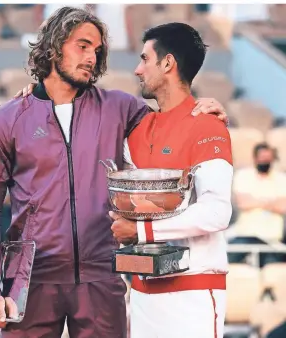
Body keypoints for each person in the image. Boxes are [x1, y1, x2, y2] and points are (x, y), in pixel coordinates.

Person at [0, 7, 227, 337]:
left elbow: (170, 122)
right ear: (53, 46)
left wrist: (203, 110)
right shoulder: (5, 121)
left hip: (101, 277)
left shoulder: (119, 108)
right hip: (31, 279)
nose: (92, 57)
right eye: (82, 45)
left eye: (97, 50)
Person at [109, 23, 233, 338]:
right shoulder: (136, 128)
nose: (137, 69)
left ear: (168, 63)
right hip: (141, 295)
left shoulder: (207, 126)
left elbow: (217, 211)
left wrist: (139, 230)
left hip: (191, 298)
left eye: (144, 59)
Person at [228, 142, 286, 266]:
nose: (265, 162)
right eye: (262, 158)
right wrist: (272, 202)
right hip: (246, 235)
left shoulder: (281, 178)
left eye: (267, 159)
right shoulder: (243, 175)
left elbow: (283, 207)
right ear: (255, 159)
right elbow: (243, 203)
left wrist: (255, 201)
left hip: (273, 240)